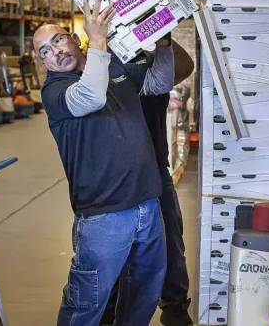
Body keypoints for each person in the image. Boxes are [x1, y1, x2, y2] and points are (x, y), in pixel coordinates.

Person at [36, 0, 175, 326]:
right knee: (85, 305)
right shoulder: (56, 92)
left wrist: (165, 40)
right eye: (44, 51)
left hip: (147, 204)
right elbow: (91, 96)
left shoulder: (113, 67)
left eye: (57, 39)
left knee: (143, 297)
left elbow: (161, 82)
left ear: (72, 37)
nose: (54, 51)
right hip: (103, 218)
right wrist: (98, 39)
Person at [101, 46, 195, 326]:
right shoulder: (96, 64)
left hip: (154, 168)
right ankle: (108, 308)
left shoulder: (152, 64)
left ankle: (174, 305)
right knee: (113, 246)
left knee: (169, 237)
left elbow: (186, 66)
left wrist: (161, 34)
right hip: (113, 176)